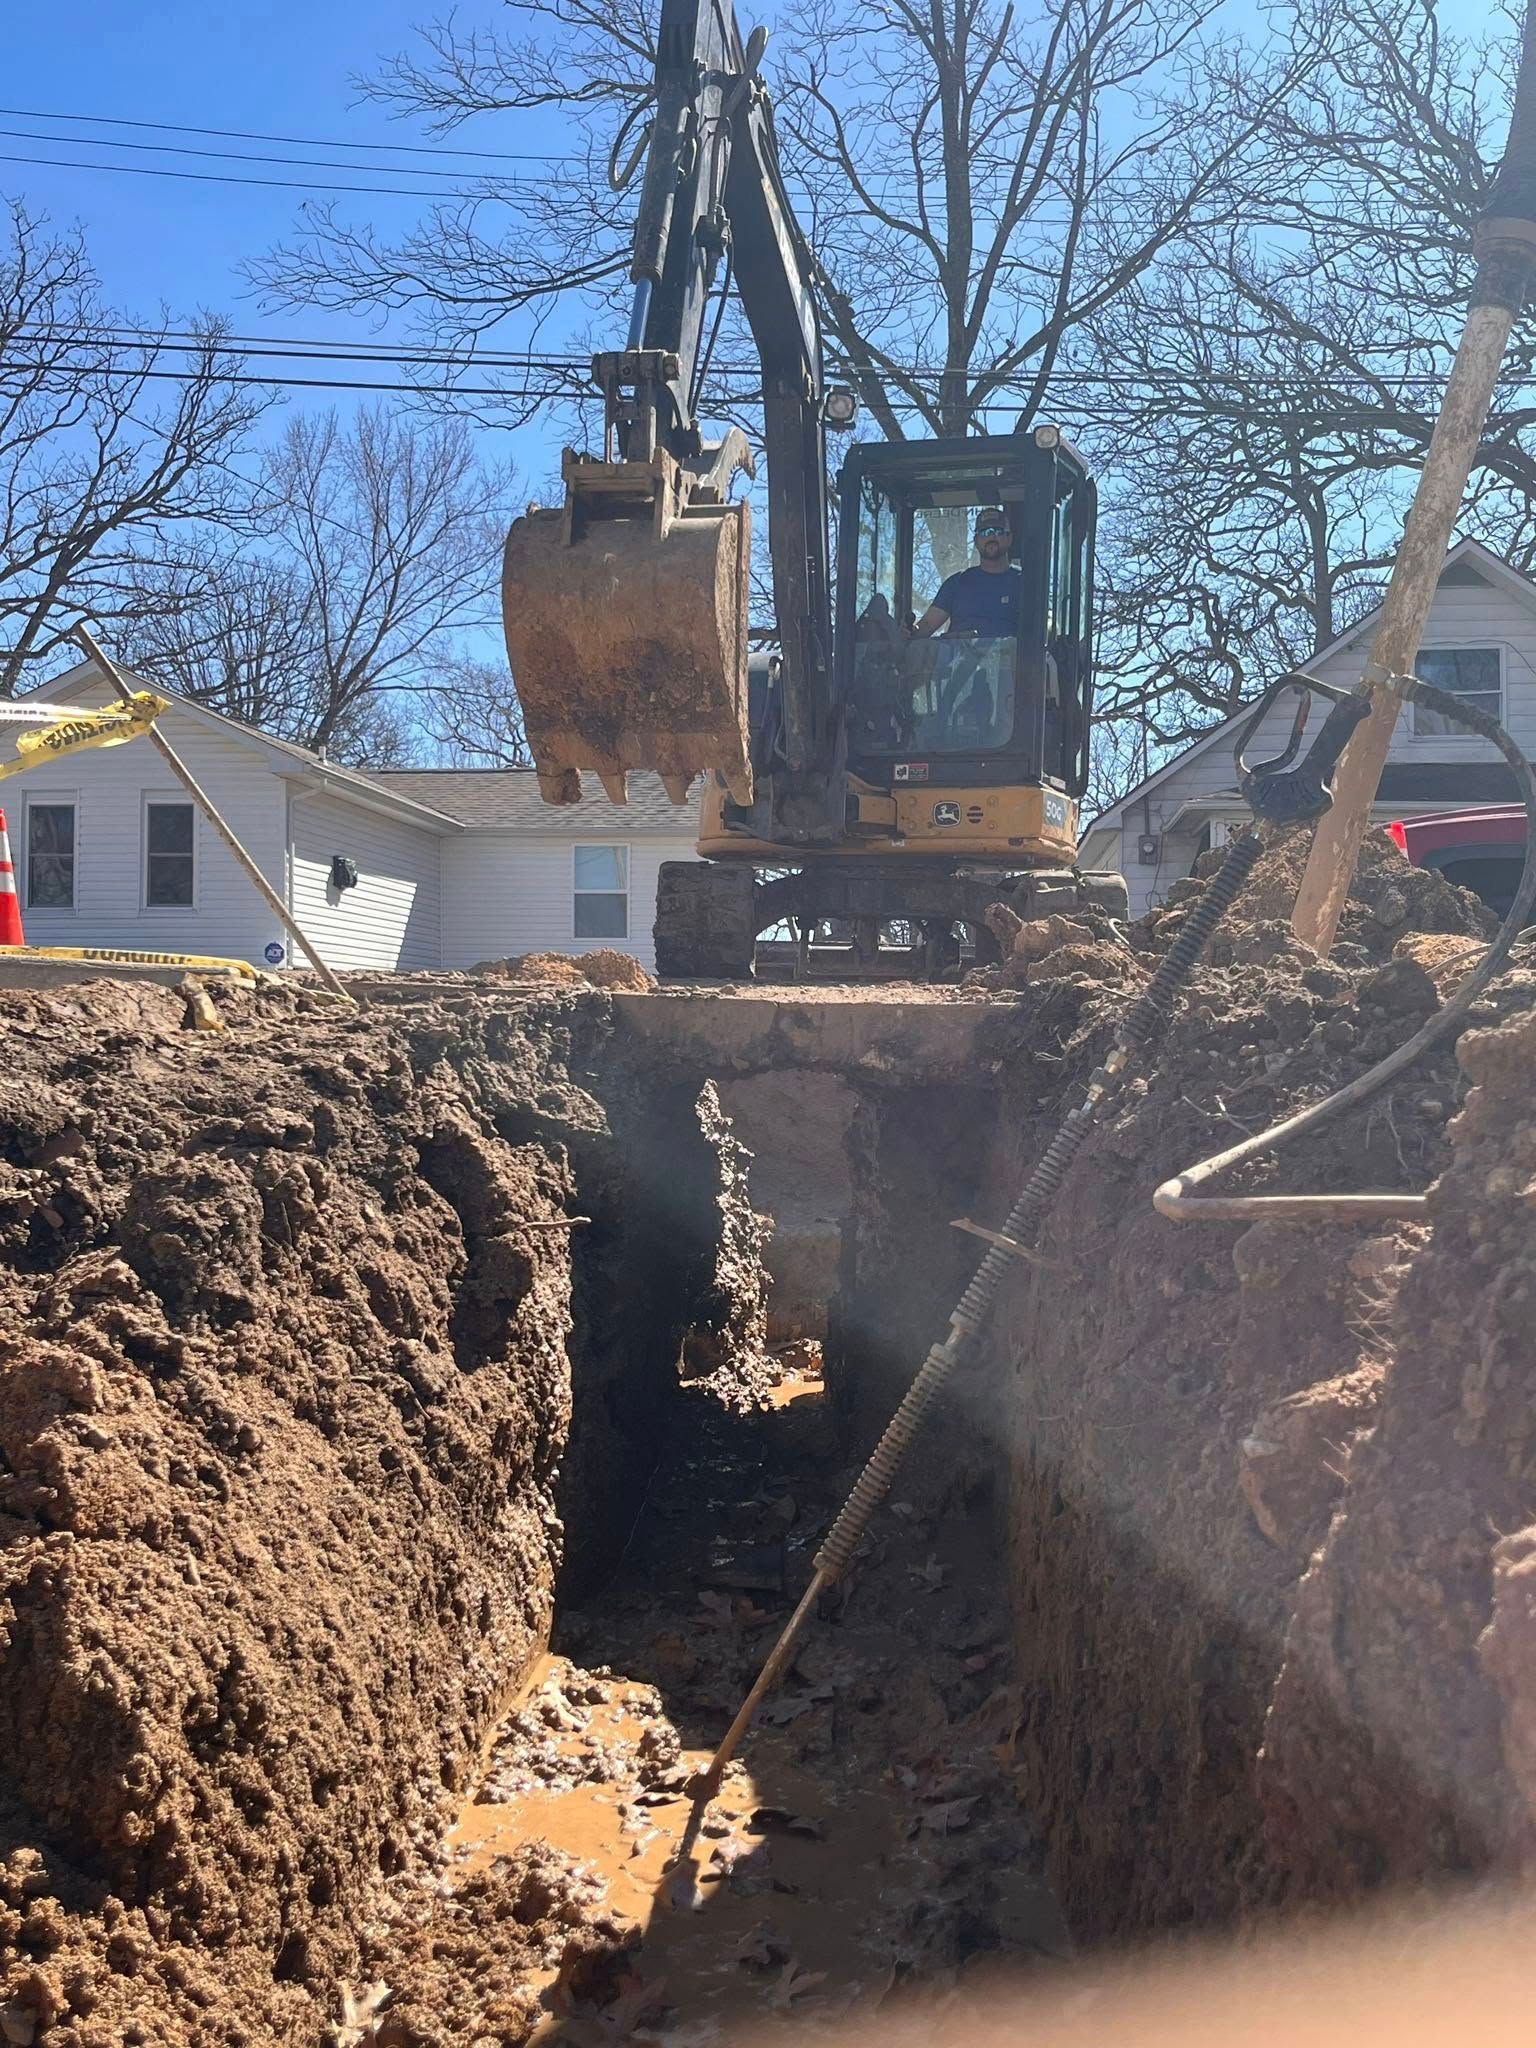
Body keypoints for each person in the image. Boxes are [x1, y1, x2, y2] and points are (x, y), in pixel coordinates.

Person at [912, 509, 1019, 639]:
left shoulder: (1024, 582)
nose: (991, 537)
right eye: (985, 532)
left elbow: (1043, 626)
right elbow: (927, 625)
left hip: (1015, 659)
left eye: (998, 531)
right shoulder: (957, 584)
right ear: (976, 541)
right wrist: (910, 632)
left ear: (1009, 538)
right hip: (960, 658)